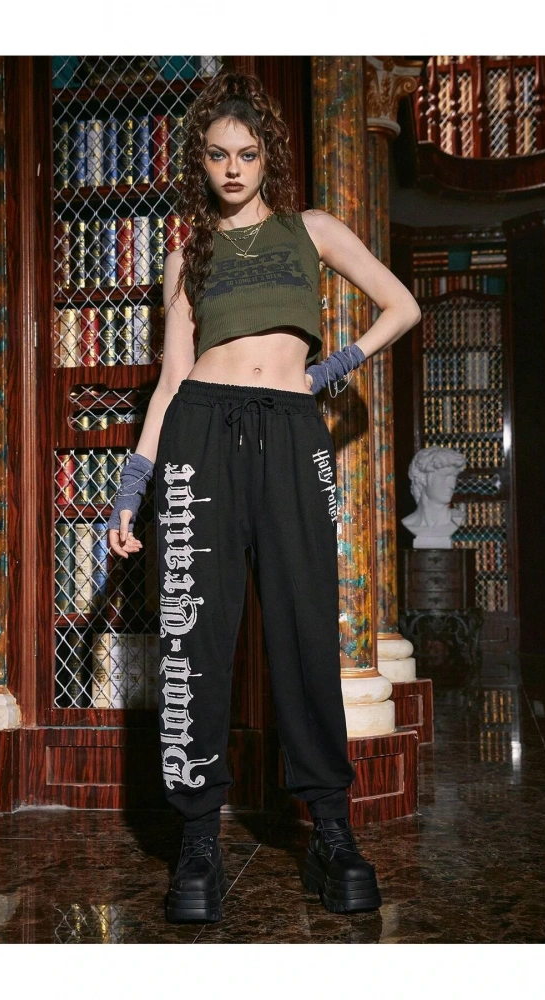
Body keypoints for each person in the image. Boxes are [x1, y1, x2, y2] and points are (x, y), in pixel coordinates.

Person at [106, 71, 421, 924]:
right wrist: (133, 489)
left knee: (305, 628)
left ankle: (332, 833)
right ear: (201, 161)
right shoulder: (188, 255)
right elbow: (171, 381)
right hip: (199, 432)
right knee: (194, 639)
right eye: (218, 155)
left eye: (247, 154)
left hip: (290, 432)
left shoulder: (312, 230)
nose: (233, 169)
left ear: (267, 156)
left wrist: (331, 368)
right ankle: (197, 839)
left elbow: (401, 305)